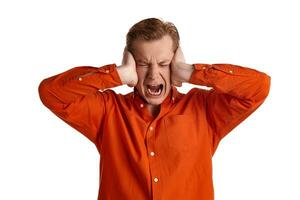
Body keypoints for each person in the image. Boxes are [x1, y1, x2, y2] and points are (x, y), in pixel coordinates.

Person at [38, 18, 271, 200]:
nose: (153, 74)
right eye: (142, 63)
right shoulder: (107, 112)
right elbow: (51, 93)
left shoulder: (204, 109)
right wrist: (116, 74)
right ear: (131, 64)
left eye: (164, 63)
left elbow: (258, 87)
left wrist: (192, 72)